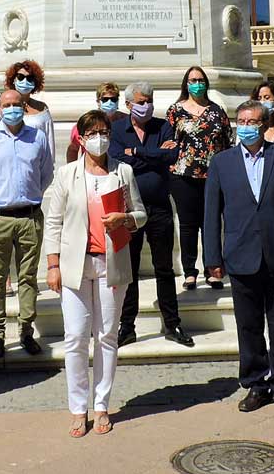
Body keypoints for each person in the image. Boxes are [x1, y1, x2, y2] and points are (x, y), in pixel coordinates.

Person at [204, 100, 274, 414]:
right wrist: (212, 257)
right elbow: (211, 214)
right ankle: (255, 383)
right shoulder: (222, 162)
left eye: (252, 121)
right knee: (248, 325)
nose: (246, 126)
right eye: (241, 120)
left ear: (264, 125)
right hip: (242, 257)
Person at [46, 110, 147, 436]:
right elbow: (54, 221)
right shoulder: (67, 174)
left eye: (103, 132)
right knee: (75, 336)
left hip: (110, 264)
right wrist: (52, 264)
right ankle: (78, 407)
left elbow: (141, 213)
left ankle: (101, 403)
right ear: (81, 137)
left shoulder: (123, 172)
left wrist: (125, 219)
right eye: (92, 133)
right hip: (75, 265)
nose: (98, 138)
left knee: (106, 335)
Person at [0, 89, 55, 359]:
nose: (12, 109)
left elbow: (46, 172)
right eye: (7, 105)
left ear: (24, 107)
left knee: (28, 278)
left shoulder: (37, 138)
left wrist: (31, 197)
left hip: (29, 216)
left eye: (17, 104)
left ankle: (26, 331)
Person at [110, 81, 191, 348]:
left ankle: (172, 323)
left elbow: (171, 157)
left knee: (164, 268)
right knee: (129, 270)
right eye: (141, 102)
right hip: (129, 208)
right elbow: (118, 159)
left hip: (159, 206)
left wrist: (138, 153)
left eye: (149, 101)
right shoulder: (117, 129)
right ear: (129, 104)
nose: (146, 106)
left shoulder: (162, 126)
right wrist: (152, 156)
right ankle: (127, 326)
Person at [168, 66, 232, 290]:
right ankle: (189, 271)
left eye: (201, 79)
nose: (197, 83)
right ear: (186, 83)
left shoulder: (217, 111)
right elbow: (169, 142)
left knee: (211, 223)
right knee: (188, 224)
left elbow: (227, 142)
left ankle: (212, 268)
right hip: (183, 175)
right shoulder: (175, 110)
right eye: (193, 80)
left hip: (213, 175)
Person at [0, 60, 57, 159]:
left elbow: (49, 144)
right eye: (20, 77)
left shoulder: (42, 109)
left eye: (30, 78)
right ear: (13, 80)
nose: (25, 81)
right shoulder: (0, 108)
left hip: (34, 163)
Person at [67, 82, 123, 163]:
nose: (110, 103)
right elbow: (73, 149)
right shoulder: (86, 123)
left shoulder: (126, 121)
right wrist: (72, 171)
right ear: (98, 102)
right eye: (105, 99)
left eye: (113, 99)